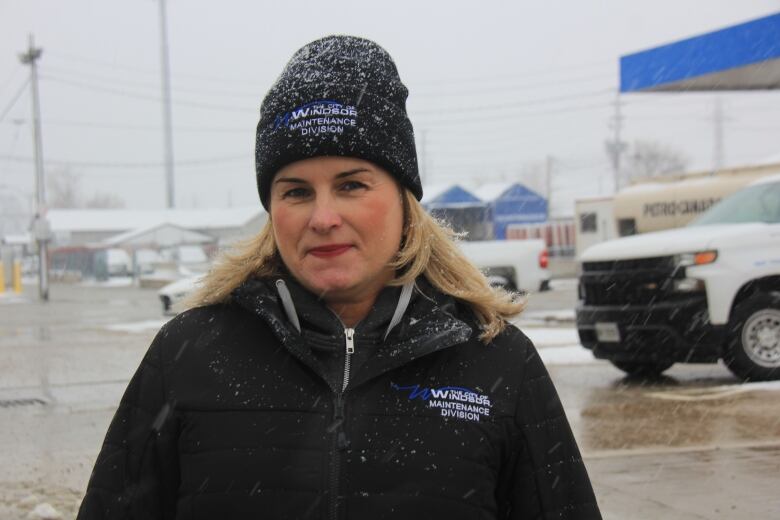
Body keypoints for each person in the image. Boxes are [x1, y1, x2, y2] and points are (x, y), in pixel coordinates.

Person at [77, 35, 601, 520]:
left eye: (351, 185)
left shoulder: (498, 362)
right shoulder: (187, 356)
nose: (322, 218)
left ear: (403, 199)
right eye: (296, 191)